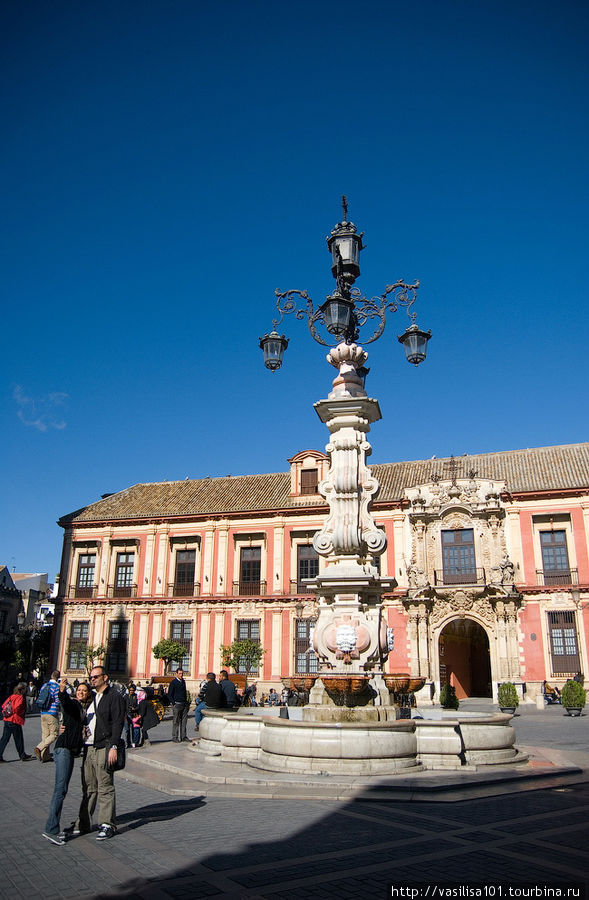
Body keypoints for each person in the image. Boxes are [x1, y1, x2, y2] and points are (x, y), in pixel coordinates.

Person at [74, 665, 126, 841]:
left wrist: (113, 746)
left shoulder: (114, 697)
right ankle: (83, 822)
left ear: (105, 677)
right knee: (89, 786)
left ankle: (107, 824)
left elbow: (118, 723)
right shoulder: (93, 697)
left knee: (105, 785)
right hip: (89, 747)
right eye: (91, 678)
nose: (92, 680)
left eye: (95, 677)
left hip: (105, 746)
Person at [43, 679, 93, 845]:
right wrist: (62, 692)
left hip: (71, 751)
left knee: (61, 789)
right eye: (79, 690)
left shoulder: (84, 709)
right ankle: (51, 829)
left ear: (88, 694)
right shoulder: (74, 704)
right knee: (60, 789)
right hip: (63, 749)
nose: (80, 692)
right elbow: (66, 703)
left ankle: (52, 828)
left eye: (84, 691)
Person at [0, 682, 34, 762]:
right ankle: (22, 755)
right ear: (22, 690)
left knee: (4, 739)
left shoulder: (12, 696)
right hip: (14, 720)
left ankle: (0, 755)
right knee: (19, 739)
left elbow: (4, 705)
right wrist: (22, 711)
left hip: (7, 719)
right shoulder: (20, 697)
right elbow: (16, 708)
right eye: (25, 689)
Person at [35, 670, 61, 763]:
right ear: (58, 677)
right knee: (54, 734)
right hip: (52, 712)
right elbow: (57, 701)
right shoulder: (56, 687)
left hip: (43, 712)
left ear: (51, 676)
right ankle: (39, 747)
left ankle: (45, 756)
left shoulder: (44, 685)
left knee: (45, 734)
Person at [168, 667, 189, 742]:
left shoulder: (183, 681)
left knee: (184, 721)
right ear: (176, 674)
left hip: (183, 704)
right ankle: (175, 737)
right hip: (176, 704)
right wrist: (173, 703)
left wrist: (186, 701)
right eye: (180, 673)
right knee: (176, 721)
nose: (181, 675)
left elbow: (184, 692)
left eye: (182, 673)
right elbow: (170, 694)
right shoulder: (173, 682)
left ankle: (183, 736)